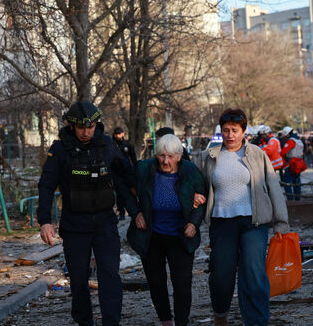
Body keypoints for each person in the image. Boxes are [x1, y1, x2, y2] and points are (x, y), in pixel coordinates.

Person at [38, 101, 135, 326]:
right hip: (75, 226)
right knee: (79, 281)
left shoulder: (107, 145)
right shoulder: (60, 150)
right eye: (81, 127)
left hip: (104, 223)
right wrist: (45, 221)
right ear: (72, 126)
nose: (86, 132)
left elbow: (127, 175)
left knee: (110, 276)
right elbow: (46, 185)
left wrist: (139, 204)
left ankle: (111, 322)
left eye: (90, 127)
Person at [197, 108, 290, 326]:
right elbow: (196, 186)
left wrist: (281, 222)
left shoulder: (257, 154)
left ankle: (257, 322)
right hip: (221, 223)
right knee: (221, 276)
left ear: (244, 132)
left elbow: (273, 186)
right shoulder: (208, 157)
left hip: (253, 222)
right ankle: (220, 313)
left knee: (254, 274)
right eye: (226, 130)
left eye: (234, 130)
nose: (230, 135)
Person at [127, 134, 207, 326]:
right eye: (162, 156)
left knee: (182, 284)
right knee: (156, 282)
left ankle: (181, 322)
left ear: (179, 156)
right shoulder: (145, 169)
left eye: (171, 156)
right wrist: (136, 212)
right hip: (152, 236)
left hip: (180, 236)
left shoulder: (190, 172)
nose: (165, 161)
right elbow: (125, 190)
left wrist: (193, 224)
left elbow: (202, 200)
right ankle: (166, 320)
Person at [280, 126, 305, 201]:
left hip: (292, 163)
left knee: (286, 181)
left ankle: (290, 199)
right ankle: (298, 199)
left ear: (287, 134)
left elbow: (283, 152)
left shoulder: (291, 141)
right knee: (296, 182)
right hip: (299, 162)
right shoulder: (299, 140)